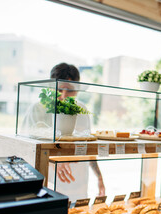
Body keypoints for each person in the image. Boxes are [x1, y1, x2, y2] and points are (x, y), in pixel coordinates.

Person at [23, 63, 105, 200]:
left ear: (78, 90)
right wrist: (54, 159)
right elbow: (26, 150)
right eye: (59, 90)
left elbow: (88, 147)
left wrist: (99, 177)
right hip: (47, 185)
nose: (64, 95)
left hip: (79, 185)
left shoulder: (81, 109)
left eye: (70, 90)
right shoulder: (37, 109)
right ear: (51, 87)